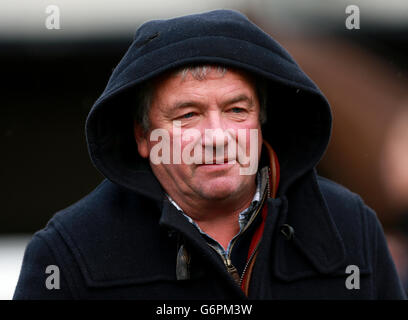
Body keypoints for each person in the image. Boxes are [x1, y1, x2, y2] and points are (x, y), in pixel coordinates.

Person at [13, 9, 406, 299]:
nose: (217, 137)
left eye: (237, 110)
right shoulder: (69, 252)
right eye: (188, 115)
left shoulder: (351, 228)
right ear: (144, 136)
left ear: (261, 121)